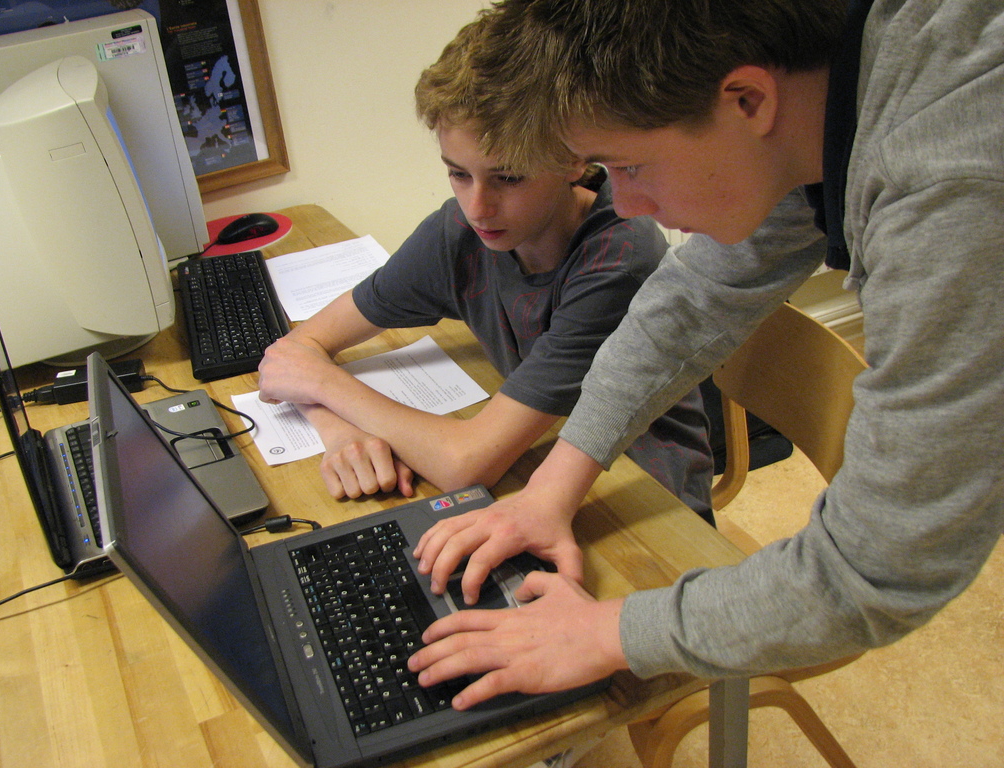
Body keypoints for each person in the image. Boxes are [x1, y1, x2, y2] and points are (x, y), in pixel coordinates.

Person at [408, 0, 1004, 713]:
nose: (625, 204)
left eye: (630, 166)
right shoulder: (817, 100)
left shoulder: (952, 189)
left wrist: (607, 634)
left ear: (747, 99)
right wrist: (549, 491)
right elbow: (688, 305)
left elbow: (879, 565)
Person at [256, 16, 713, 525]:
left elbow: (466, 464)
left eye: (508, 177)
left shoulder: (617, 260)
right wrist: (340, 431)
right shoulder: (461, 232)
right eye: (458, 173)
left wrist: (324, 386)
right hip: (536, 466)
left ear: (574, 160)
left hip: (648, 507)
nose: (477, 207)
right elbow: (296, 355)